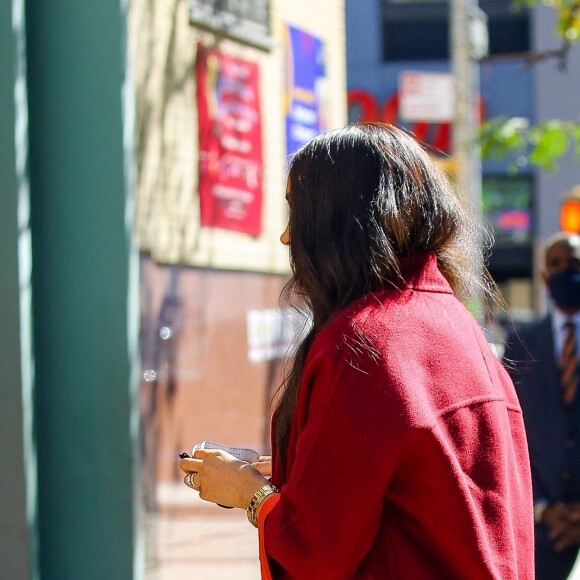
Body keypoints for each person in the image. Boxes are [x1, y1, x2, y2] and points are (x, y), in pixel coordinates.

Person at [180, 122, 534, 579]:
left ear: (339, 220)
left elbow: (315, 550)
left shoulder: (363, 342)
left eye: (297, 212)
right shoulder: (454, 324)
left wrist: (247, 492)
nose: (288, 237)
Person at [502, 231, 580, 580]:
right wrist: (543, 509)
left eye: (575, 263)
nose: (566, 271)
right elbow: (507, 435)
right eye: (556, 263)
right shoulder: (521, 344)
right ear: (544, 276)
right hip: (541, 531)